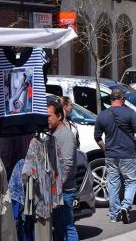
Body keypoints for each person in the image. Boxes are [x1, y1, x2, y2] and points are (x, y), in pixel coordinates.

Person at [94, 87, 136, 224]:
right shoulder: (130, 113)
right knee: (131, 181)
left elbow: (97, 136)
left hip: (111, 155)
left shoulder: (102, 115)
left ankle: (114, 214)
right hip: (128, 154)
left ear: (111, 99)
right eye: (124, 98)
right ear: (121, 99)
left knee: (113, 184)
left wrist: (105, 149)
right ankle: (126, 206)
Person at [49, 99, 79, 241]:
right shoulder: (54, 134)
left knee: (67, 226)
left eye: (49, 116)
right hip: (58, 189)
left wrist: (57, 188)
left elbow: (67, 163)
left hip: (64, 190)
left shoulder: (65, 136)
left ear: (59, 116)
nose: (46, 120)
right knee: (60, 227)